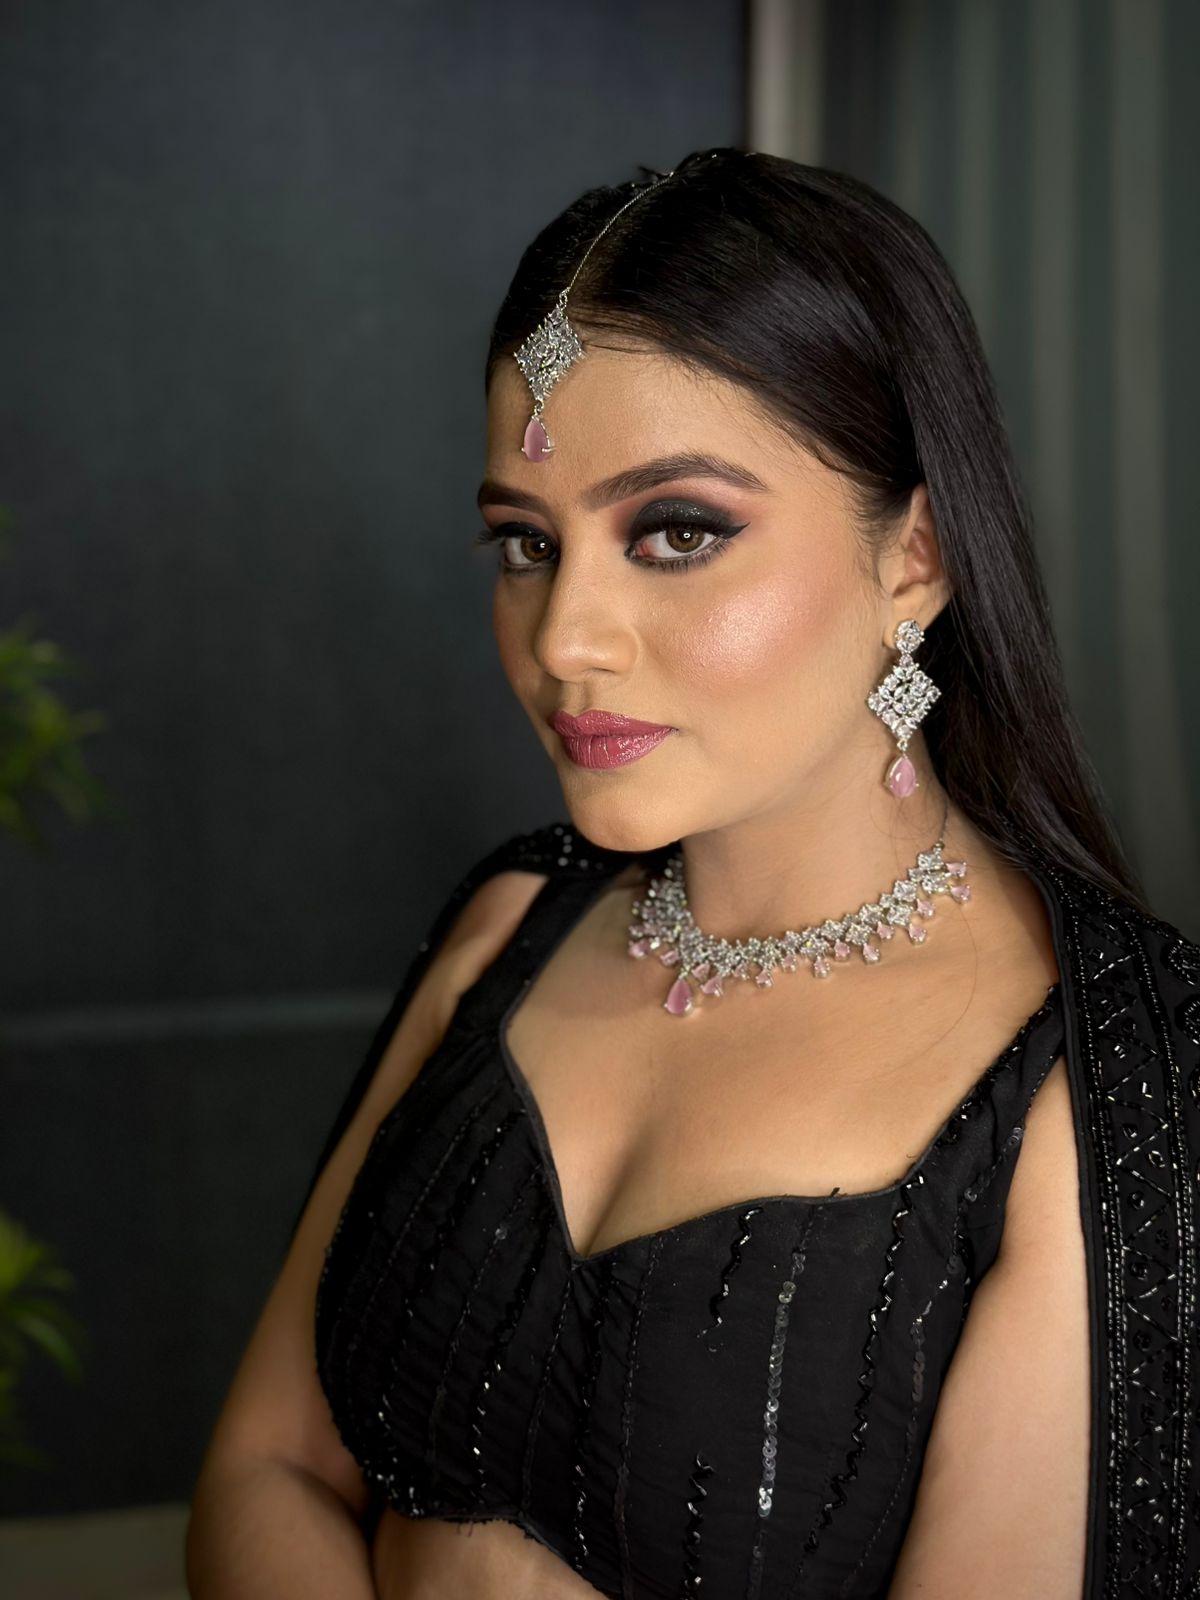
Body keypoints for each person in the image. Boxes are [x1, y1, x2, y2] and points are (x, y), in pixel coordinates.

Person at [185, 148, 1200, 1600]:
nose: (564, 638)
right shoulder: (509, 926)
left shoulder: (1099, 1085)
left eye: (677, 531)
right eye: (525, 544)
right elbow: (266, 1466)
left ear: (916, 556)